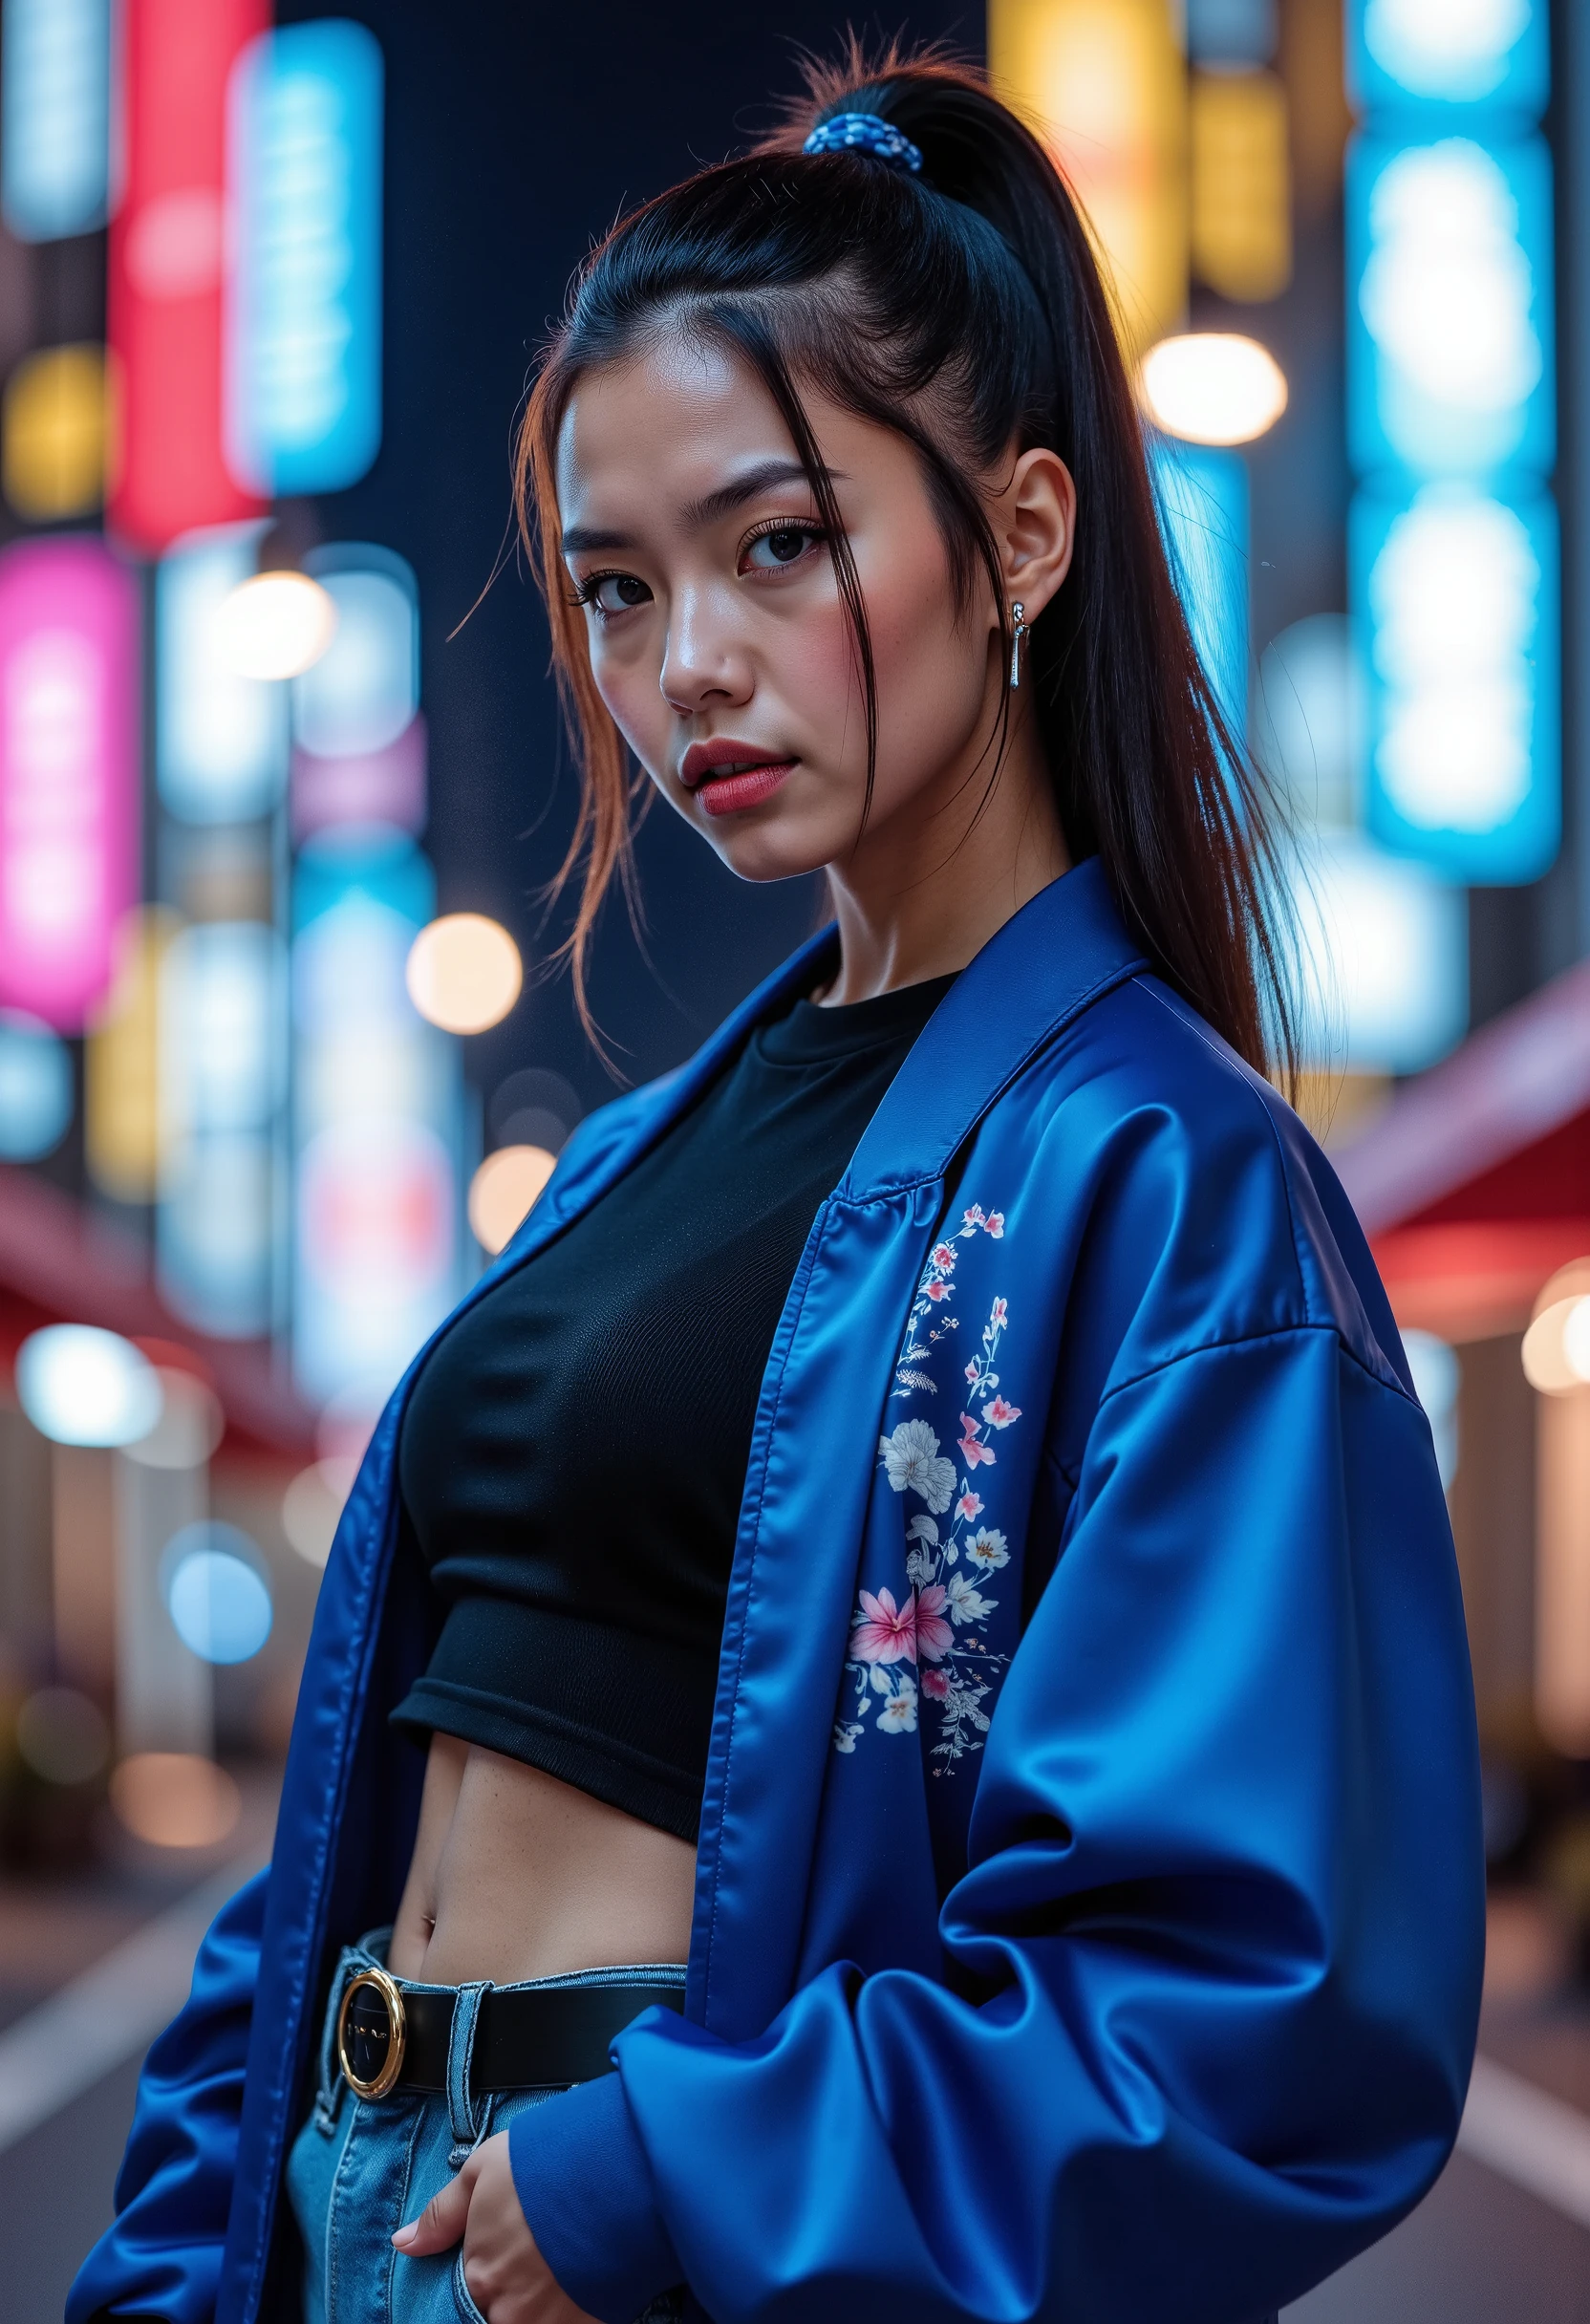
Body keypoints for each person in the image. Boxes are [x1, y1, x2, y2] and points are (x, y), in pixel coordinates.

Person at [71, 43, 1484, 2324]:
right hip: (348, 2217)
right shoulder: (632, 1160)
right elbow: (364, 1790)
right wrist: (188, 2239)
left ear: (1023, 531)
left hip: (651, 2254)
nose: (681, 666)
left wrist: (660, 2184)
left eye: (777, 544)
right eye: (613, 590)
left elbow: (1258, 2006)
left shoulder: (1162, 1181)